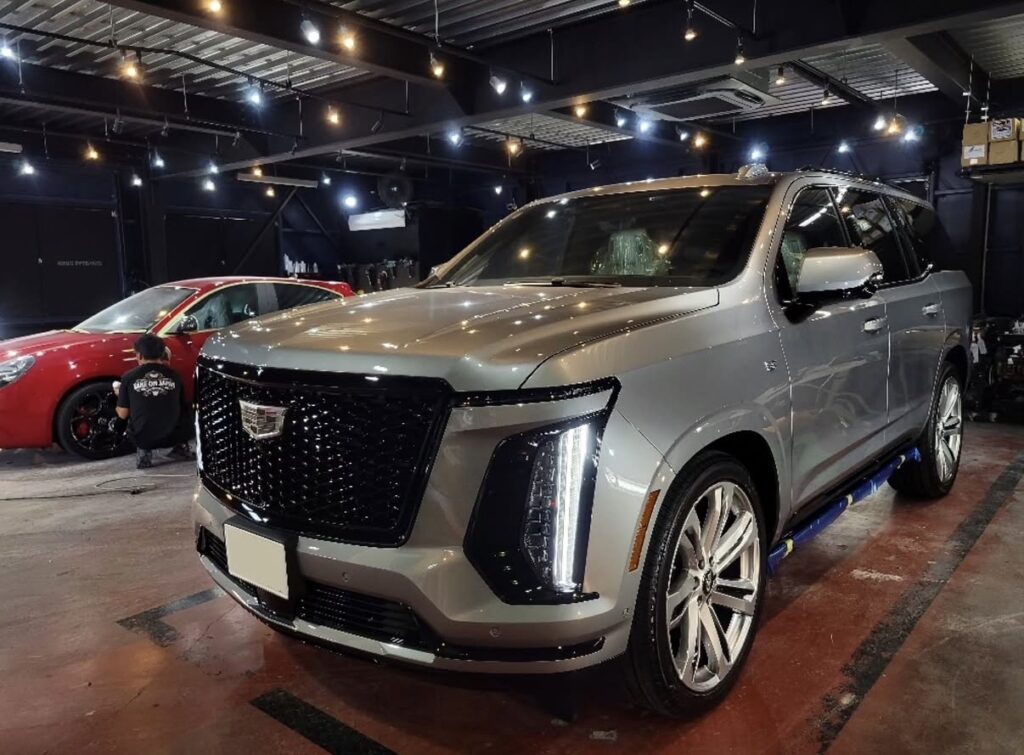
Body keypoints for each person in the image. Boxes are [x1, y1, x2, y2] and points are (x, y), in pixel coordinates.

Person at [116, 334, 194, 469]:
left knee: (127, 414)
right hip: (177, 435)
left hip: (144, 439)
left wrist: (119, 395)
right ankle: (181, 447)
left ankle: (144, 452)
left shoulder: (128, 377)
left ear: (139, 355)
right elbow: (182, 406)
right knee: (185, 408)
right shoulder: (175, 375)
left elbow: (123, 414)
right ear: (163, 353)